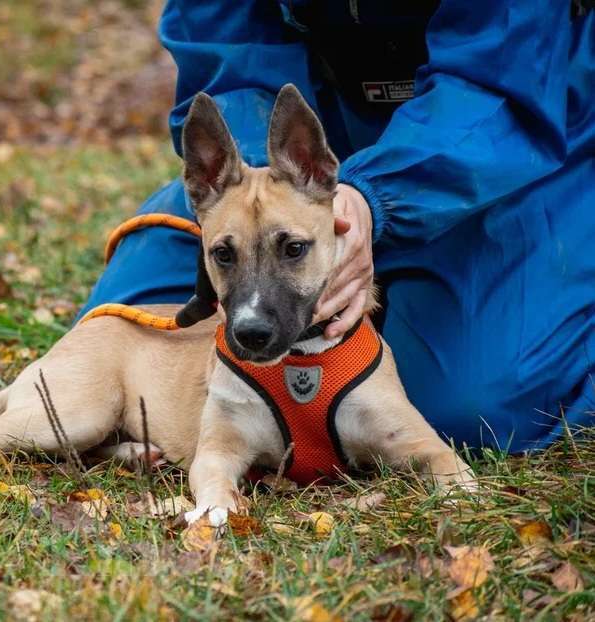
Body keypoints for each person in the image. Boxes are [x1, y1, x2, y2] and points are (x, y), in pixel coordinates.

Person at [77, 0, 595, 453]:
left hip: (512, 158)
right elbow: (225, 55)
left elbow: (497, 80)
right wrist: (264, 200)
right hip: (303, 169)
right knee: (106, 341)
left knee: (468, 409)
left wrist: (372, 200)